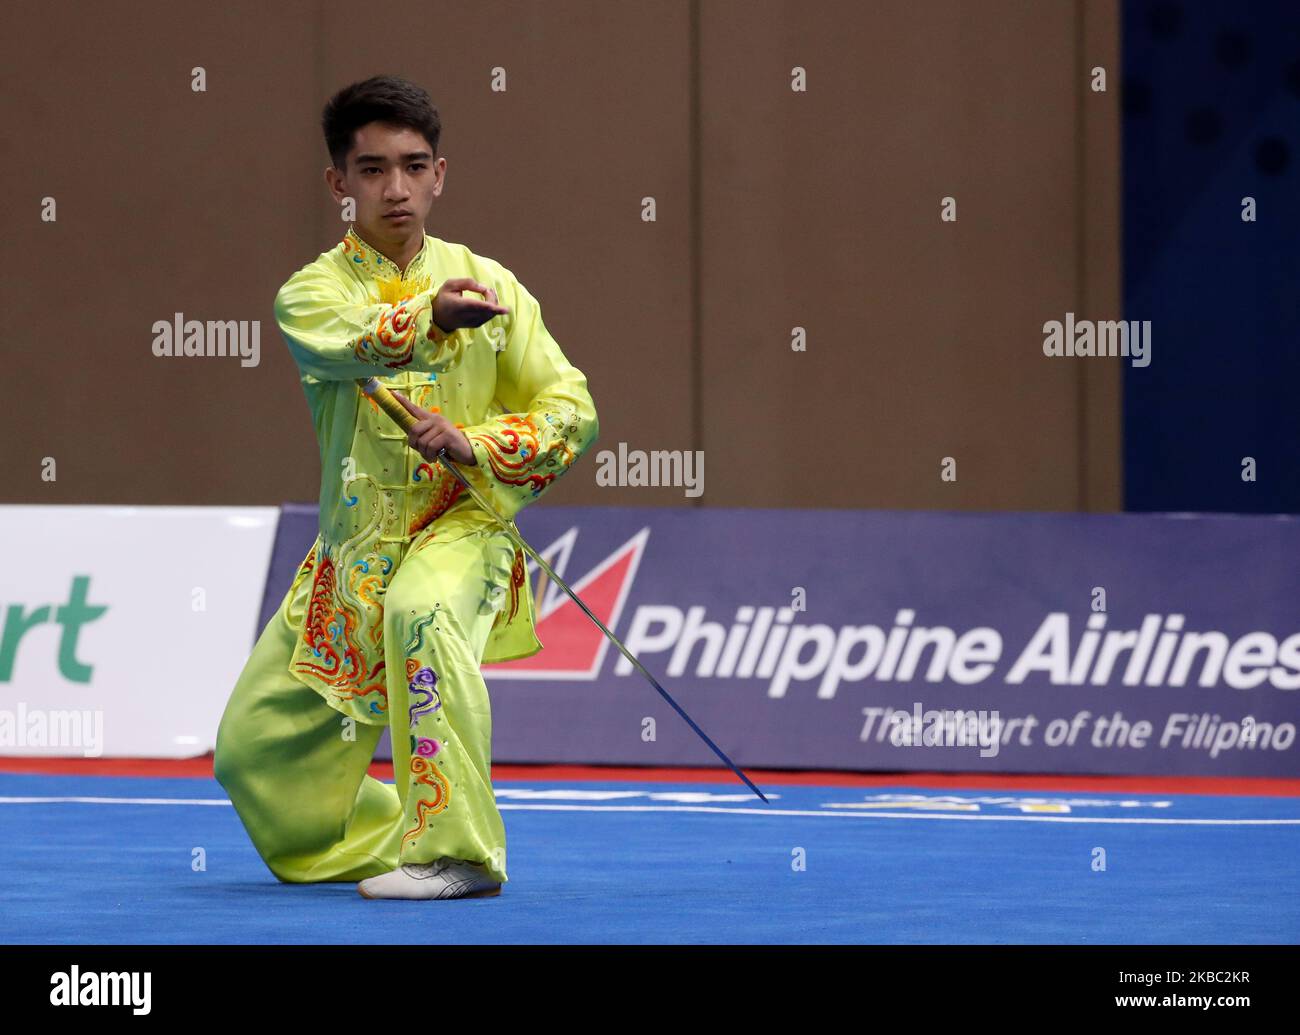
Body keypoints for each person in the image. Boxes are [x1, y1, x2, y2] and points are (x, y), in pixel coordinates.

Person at [213, 75, 599, 900]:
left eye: (413, 166)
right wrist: (431, 320)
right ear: (338, 184)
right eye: (373, 169)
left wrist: (476, 441)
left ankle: (458, 852)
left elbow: (572, 408)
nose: (396, 188)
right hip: (351, 554)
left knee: (419, 611)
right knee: (250, 752)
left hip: (462, 525)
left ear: (439, 174)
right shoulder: (310, 294)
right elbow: (349, 340)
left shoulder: (495, 284)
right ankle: (403, 829)